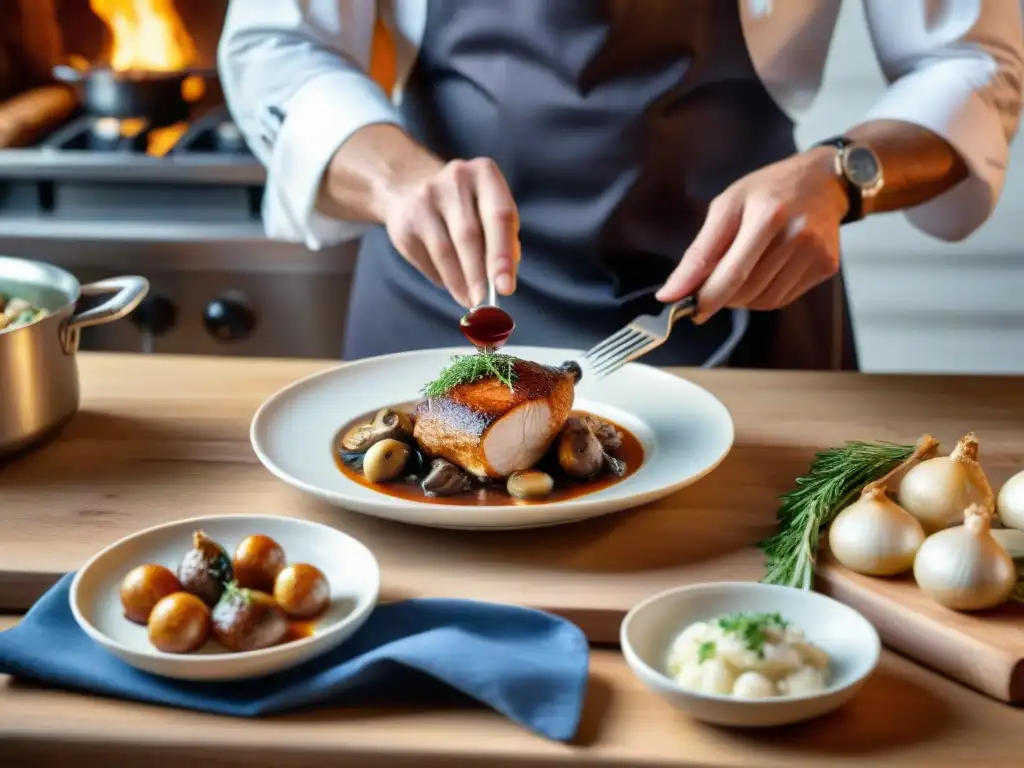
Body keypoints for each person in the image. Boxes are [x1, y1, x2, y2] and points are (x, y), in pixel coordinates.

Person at [218, 0, 1023, 369]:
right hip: (440, 312)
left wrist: (842, 173)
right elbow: (276, 47)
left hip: (747, 312)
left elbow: (968, 65)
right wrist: (396, 181)